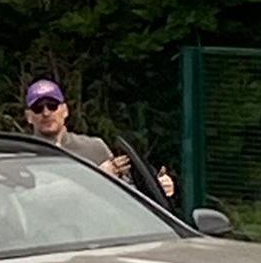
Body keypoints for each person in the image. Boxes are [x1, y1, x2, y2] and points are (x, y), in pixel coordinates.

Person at [24, 79, 174, 198]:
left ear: (65, 110)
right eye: (38, 108)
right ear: (29, 117)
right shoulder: (20, 155)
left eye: (52, 105)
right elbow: (32, 199)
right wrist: (98, 177)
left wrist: (158, 187)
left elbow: (126, 195)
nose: (46, 113)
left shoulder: (94, 148)